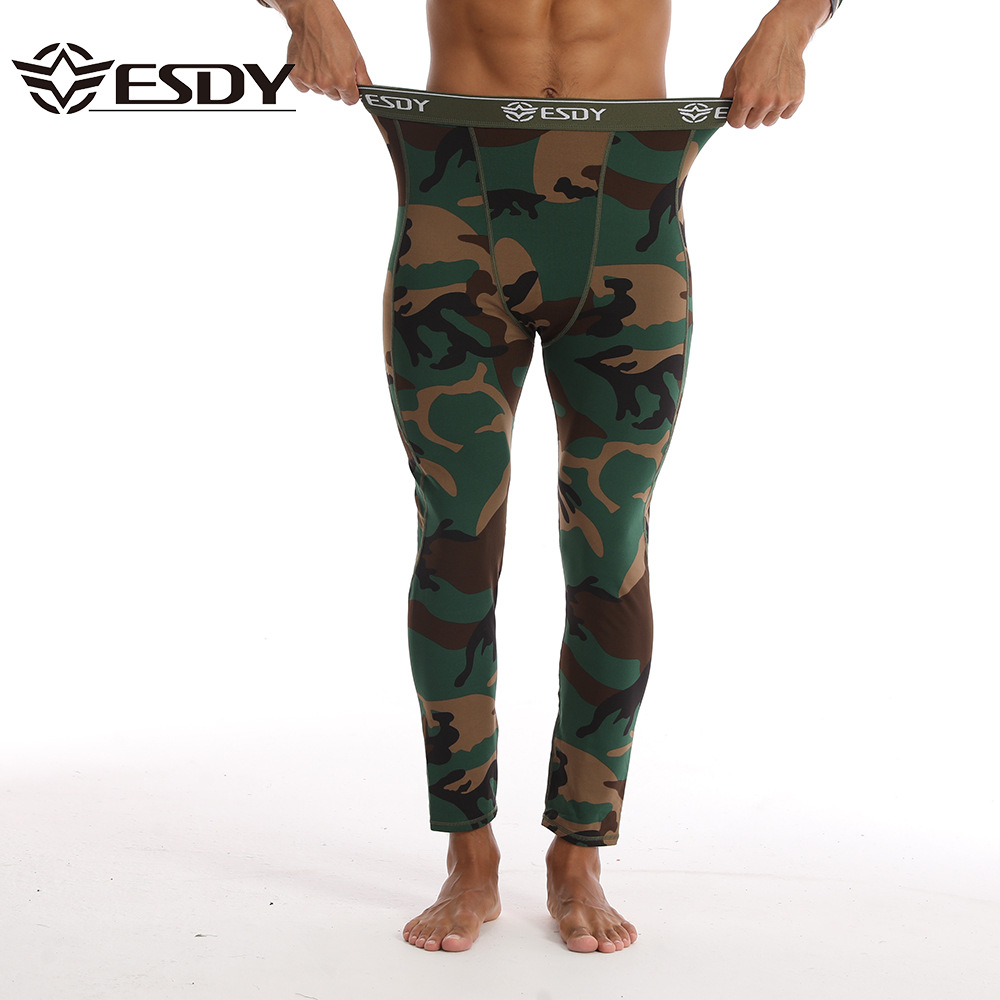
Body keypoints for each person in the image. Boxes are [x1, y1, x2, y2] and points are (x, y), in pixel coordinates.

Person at [253, 0, 843, 954]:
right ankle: (469, 854)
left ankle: (580, 849)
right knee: (456, 540)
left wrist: (793, 25)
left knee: (612, 545)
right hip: (455, 194)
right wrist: (308, 10)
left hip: (632, 206)